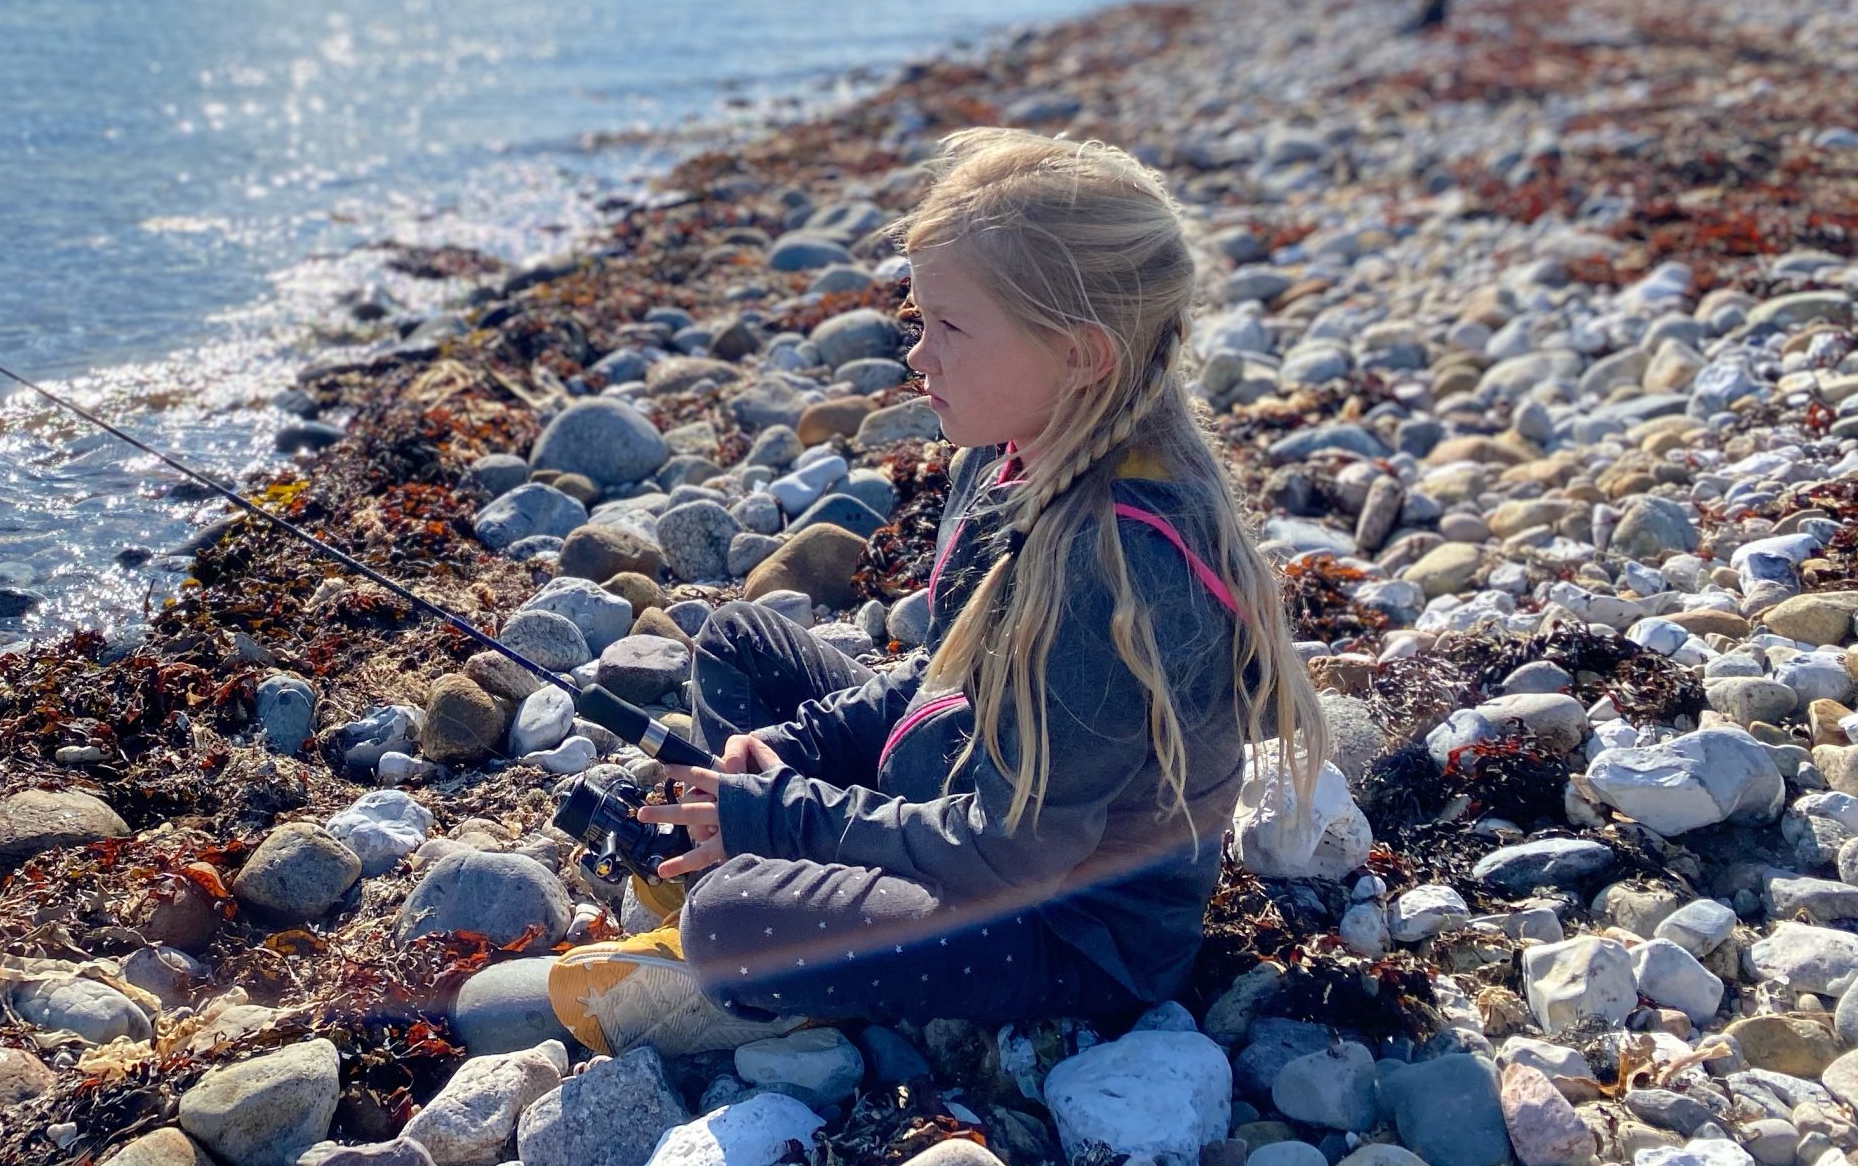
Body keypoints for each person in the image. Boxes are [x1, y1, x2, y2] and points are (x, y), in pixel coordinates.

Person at [544, 130, 1324, 1057]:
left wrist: (777, 816)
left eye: (950, 328)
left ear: (1083, 356)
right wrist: (794, 754)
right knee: (736, 641)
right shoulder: (1007, 460)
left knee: (729, 924)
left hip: (1062, 923)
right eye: (918, 322)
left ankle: (764, 939)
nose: (920, 358)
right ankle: (768, 871)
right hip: (976, 789)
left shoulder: (1124, 573)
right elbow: (943, 676)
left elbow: (1011, 849)